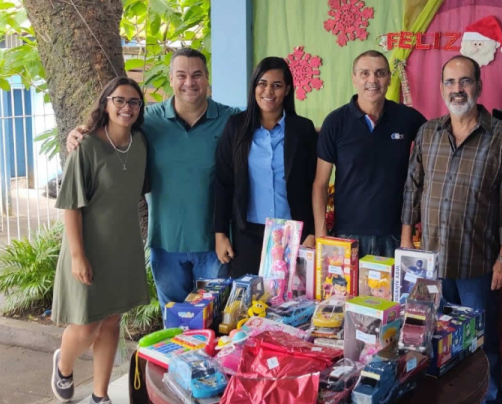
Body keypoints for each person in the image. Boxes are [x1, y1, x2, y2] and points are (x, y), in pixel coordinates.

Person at [401, 55, 502, 404]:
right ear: (441, 89)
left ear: (479, 86)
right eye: (450, 82)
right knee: (429, 339)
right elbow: (412, 187)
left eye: (465, 81)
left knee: (481, 344)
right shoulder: (427, 133)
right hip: (430, 263)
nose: (458, 89)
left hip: (477, 263)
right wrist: (406, 239)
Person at [67, 48, 239, 315]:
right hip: (165, 244)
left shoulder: (231, 119)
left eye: (197, 75)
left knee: (213, 325)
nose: (189, 82)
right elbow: (111, 130)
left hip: (214, 245)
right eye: (181, 75)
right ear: (170, 79)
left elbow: (266, 120)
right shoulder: (148, 121)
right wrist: (78, 132)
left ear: (207, 78)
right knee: (174, 324)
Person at [51, 77, 150, 404]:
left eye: (134, 103)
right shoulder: (86, 147)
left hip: (124, 248)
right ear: (105, 102)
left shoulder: (140, 143)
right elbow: (71, 207)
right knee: (86, 325)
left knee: (112, 321)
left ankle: (100, 395)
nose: (127, 107)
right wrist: (78, 256)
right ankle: (64, 366)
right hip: (88, 248)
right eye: (119, 100)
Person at [313, 50, 426, 258]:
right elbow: (320, 183)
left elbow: (433, 156)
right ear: (354, 78)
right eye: (365, 73)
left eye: (380, 73)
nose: (372, 80)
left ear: (389, 79)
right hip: (347, 237)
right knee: (345, 292)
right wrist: (322, 235)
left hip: (396, 236)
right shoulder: (335, 122)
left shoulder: (408, 119)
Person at [214, 57, 317, 277]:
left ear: (287, 90)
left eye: (277, 85)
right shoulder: (235, 127)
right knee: (249, 304)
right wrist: (220, 233)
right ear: (254, 88)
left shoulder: (303, 130)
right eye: (262, 83)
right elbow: (223, 182)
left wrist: (313, 231)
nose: (268, 91)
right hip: (248, 234)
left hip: (293, 234)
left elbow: (314, 184)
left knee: (291, 304)